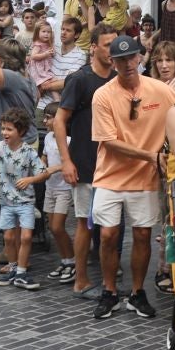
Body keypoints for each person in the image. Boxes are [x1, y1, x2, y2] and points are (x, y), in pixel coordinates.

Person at [89, 33, 175, 320]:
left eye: (131, 57)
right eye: (121, 59)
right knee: (107, 235)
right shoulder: (103, 95)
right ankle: (109, 291)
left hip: (145, 178)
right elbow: (109, 142)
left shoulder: (160, 90)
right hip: (109, 176)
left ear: (139, 58)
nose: (127, 64)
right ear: (113, 62)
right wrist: (151, 156)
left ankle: (136, 292)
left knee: (143, 235)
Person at [50, 23, 118, 298]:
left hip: (114, 165)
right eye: (107, 45)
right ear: (93, 47)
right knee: (85, 224)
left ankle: (108, 280)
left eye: (115, 44)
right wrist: (66, 161)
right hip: (85, 162)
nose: (112, 50)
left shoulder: (118, 78)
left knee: (110, 227)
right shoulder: (79, 79)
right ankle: (80, 280)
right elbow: (59, 120)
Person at [0, 107, 45, 291]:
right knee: (9, 237)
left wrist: (30, 179)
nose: (4, 132)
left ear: (21, 131)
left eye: (9, 129)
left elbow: (43, 173)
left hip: (26, 201)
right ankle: (13, 268)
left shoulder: (28, 151)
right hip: (6, 201)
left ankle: (21, 272)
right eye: (3, 128)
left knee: (26, 237)